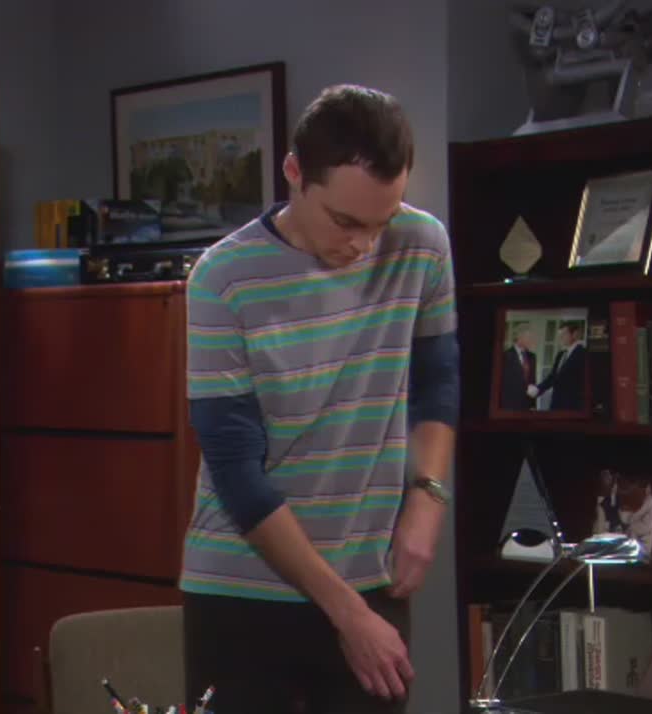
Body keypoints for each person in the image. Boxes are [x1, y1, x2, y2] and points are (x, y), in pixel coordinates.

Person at [181, 85, 460, 714]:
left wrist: (427, 499)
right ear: (294, 173)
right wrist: (347, 614)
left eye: (382, 221)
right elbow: (236, 471)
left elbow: (437, 382)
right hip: (242, 593)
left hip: (370, 576)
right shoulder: (223, 279)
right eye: (346, 222)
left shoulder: (422, 245)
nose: (365, 245)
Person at [529, 321, 586, 410]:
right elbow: (553, 377)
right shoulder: (560, 354)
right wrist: (538, 389)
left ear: (575, 334)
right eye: (560, 335)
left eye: (564, 334)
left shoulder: (583, 354)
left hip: (573, 406)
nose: (560, 337)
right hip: (556, 404)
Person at [500, 323, 538, 410]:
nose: (531, 340)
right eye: (529, 337)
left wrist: (533, 405)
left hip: (527, 406)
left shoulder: (532, 357)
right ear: (520, 337)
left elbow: (532, 382)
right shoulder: (505, 356)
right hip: (509, 406)